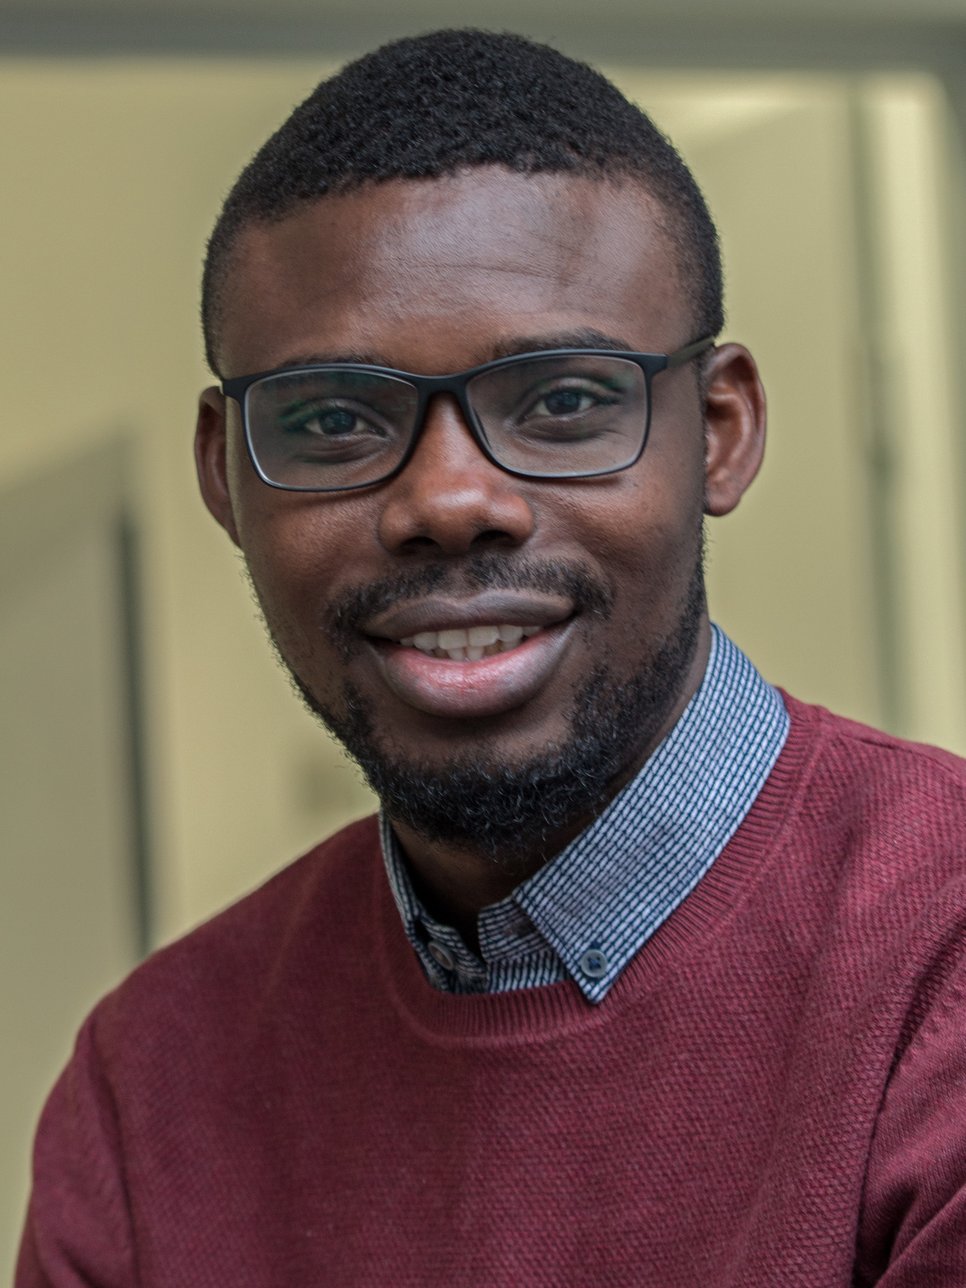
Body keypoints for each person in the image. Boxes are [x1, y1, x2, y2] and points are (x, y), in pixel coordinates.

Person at [17, 28, 966, 1288]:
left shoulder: (934, 962)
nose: (450, 499)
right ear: (226, 476)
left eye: (564, 400)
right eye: (335, 419)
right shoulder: (150, 1087)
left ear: (721, 434)